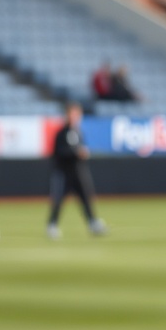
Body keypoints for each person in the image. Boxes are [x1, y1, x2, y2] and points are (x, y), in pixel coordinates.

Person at [46, 103, 107, 240]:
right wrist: (75, 153)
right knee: (59, 200)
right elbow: (59, 152)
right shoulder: (61, 133)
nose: (74, 117)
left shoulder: (78, 132)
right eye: (72, 114)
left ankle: (93, 223)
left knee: (85, 198)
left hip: (78, 171)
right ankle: (52, 225)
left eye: (76, 115)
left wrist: (81, 154)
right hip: (64, 171)